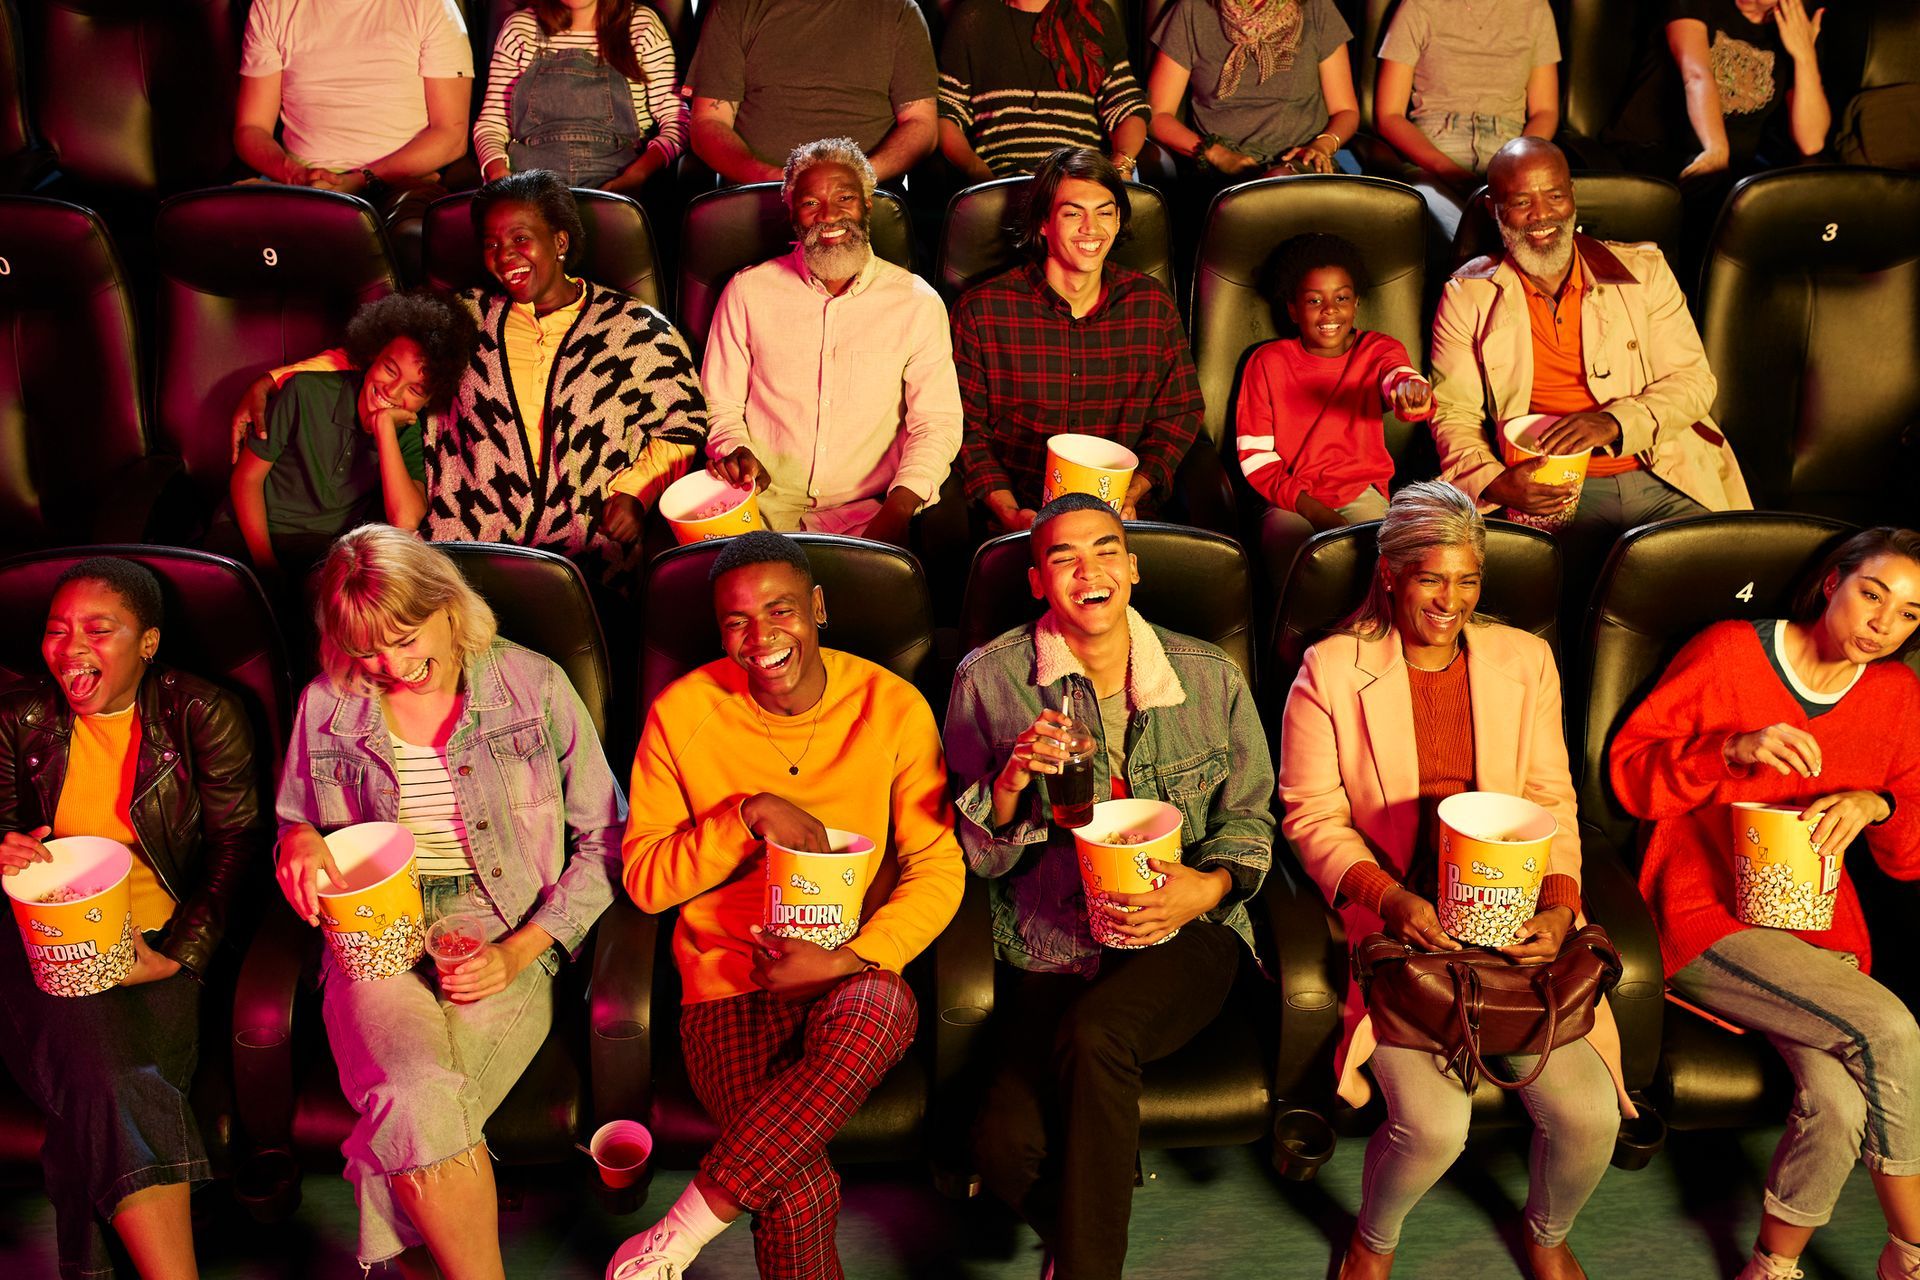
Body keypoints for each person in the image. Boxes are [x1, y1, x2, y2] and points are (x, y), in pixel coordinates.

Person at [1278, 482, 1627, 1280]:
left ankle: (1546, 1232)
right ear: (1392, 573)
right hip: (1402, 920)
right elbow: (1311, 817)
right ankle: (1373, 1238)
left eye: (1469, 579)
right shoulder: (1330, 669)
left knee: (1590, 1117)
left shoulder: (1525, 659)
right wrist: (1388, 898)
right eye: (1433, 578)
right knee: (1435, 1129)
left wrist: (1561, 904)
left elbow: (1549, 796)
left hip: (1513, 913)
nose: (1453, 598)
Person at [273, 526, 626, 1279]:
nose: (391, 667)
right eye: (366, 648)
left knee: (407, 1117)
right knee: (417, 1094)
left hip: (504, 922)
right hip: (373, 927)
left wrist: (520, 952)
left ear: (447, 606)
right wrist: (296, 840)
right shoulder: (326, 702)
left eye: (404, 638)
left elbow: (607, 841)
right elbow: (293, 817)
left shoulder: (534, 686)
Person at [611, 531, 964, 1279]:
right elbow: (644, 878)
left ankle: (683, 1225)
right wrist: (743, 814)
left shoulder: (891, 706)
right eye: (737, 621)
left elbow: (938, 865)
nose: (761, 637)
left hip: (846, 973)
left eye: (780, 611)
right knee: (796, 1190)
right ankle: (705, 1219)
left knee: (886, 1005)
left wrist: (846, 958)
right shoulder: (683, 713)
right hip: (732, 985)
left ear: (818, 608)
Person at [942, 492, 1273, 1280]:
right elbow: (979, 861)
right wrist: (1013, 780)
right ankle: (1087, 1214)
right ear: (1036, 582)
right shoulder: (988, 681)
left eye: (1104, 551)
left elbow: (1254, 817)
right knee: (1001, 1146)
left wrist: (1210, 885)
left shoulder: (1207, 673)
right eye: (1063, 557)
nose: (1087, 571)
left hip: (1187, 931)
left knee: (1100, 1037)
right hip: (1054, 940)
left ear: (1132, 567)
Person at [1610, 526, 1920, 1280]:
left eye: (1910, 613)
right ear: (1832, 584)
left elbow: (1906, 859)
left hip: (1817, 932)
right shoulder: (1727, 654)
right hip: (1703, 914)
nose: (1883, 623)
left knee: (1841, 1104)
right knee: (1891, 1026)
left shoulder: (1898, 696)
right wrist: (1729, 750)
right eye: (1872, 594)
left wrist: (1877, 804)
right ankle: (1913, 1253)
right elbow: (1630, 778)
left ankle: (1771, 1268)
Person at [231, 171, 709, 591]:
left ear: (561, 242)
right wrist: (275, 378)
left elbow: (683, 421)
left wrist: (635, 491)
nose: (505, 257)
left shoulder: (635, 327)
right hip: (465, 549)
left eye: (521, 239)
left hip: (588, 546)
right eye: (492, 244)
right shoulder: (466, 314)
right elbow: (377, 355)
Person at [0, 558, 266, 1280]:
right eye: (56, 630)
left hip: (159, 943)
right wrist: (3, 846)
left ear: (147, 643)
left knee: (94, 1094)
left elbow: (238, 845)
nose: (69, 646)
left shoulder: (202, 712)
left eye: (98, 629)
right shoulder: (19, 719)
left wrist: (178, 954)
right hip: (44, 943)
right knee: (116, 1076)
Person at [1427, 136, 1748, 595]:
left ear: (1572, 196)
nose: (1542, 215)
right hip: (1550, 490)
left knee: (1726, 587)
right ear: (1496, 211)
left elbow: (1695, 382)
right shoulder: (1468, 294)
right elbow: (1452, 411)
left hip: (1665, 470)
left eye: (1554, 195)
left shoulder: (1644, 270)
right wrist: (1494, 482)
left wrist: (1612, 422)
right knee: (1562, 600)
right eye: (1521, 202)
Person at [703, 138, 962, 544]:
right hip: (758, 509)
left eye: (845, 197)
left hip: (870, 514)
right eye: (810, 203)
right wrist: (735, 448)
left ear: (868, 204)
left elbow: (937, 424)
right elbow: (721, 403)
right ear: (792, 214)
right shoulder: (747, 292)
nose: (830, 215)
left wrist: (898, 509)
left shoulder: (917, 303)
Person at [951, 147, 1204, 532]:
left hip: (1123, 519)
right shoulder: (983, 310)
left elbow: (1179, 412)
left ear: (1119, 221)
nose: (1092, 228)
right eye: (1073, 213)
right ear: (1042, 222)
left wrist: (1133, 493)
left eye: (1105, 212)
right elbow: (967, 431)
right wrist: (1007, 512)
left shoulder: (1150, 304)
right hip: (1019, 519)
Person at [215, 289, 476, 582]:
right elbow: (246, 479)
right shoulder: (304, 391)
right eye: (390, 370)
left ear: (429, 399)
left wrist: (384, 428)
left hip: (321, 552)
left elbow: (404, 520)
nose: (393, 391)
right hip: (249, 534)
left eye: (415, 389)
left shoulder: (407, 429)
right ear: (372, 357)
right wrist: (266, 567)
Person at [1234, 233, 1432, 586]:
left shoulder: (1378, 349)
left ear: (1356, 304)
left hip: (1359, 492)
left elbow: (1398, 376)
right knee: (1293, 558)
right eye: (1314, 300)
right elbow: (1256, 458)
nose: (1330, 310)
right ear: (1293, 309)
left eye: (1341, 297)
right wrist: (1316, 513)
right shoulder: (1266, 362)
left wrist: (1410, 390)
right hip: (1289, 499)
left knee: (1388, 566)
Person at [234, 0, 474, 270]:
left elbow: (451, 135)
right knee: (225, 237)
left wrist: (362, 180)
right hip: (304, 184)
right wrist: (296, 175)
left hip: (400, 184)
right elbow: (251, 129)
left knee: (409, 245)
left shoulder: (429, 6)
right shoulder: (274, 5)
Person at [684, 0, 937, 184]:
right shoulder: (734, 8)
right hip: (761, 195)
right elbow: (708, 122)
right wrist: (776, 180)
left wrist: (858, 178)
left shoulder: (898, 10)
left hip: (866, 195)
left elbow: (921, 123)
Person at [1604, 0, 1831, 183]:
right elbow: (1696, 74)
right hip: (1652, 152)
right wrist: (1716, 151)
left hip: (1736, 170)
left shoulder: (1798, 23)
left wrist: (1805, 57)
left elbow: (1811, 141)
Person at [474, 0, 689, 192]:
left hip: (618, 176)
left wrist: (638, 174)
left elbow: (677, 121)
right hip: (532, 179)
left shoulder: (641, 26)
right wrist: (498, 174)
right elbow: (492, 123)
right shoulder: (521, 28)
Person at [937, 0, 1151, 181]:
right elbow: (947, 113)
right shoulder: (974, 17)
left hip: (1080, 179)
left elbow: (1128, 107)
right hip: (1002, 180)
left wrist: (1122, 163)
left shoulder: (1092, 16)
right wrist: (974, 169)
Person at [1146, 0, 1359, 178]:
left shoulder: (1316, 7)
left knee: (1283, 186)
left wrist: (1323, 146)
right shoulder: (1192, 10)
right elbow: (1157, 114)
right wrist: (1217, 154)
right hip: (1224, 166)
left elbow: (1345, 110)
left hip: (1303, 162)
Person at [1373, 0, 1560, 188]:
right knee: (1442, 214)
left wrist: (1518, 163)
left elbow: (1545, 111)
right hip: (1436, 146)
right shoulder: (1418, 6)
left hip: (1509, 146)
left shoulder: (1535, 8)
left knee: (1531, 212)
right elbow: (1389, 115)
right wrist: (1448, 171)